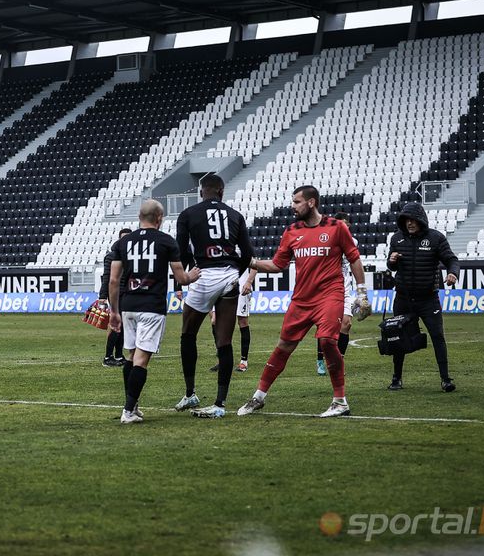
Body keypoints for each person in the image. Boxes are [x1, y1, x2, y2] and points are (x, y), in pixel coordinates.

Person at [237, 185, 368, 418]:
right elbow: (278, 265)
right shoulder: (291, 231)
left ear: (311, 202)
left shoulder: (336, 228)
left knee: (328, 340)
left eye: (297, 201)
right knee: (284, 346)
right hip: (301, 299)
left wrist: (361, 293)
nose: (292, 206)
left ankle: (340, 401)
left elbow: (354, 258)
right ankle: (258, 397)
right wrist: (250, 262)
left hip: (331, 295)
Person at [107, 200, 200, 424]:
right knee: (141, 359)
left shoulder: (123, 242)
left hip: (128, 306)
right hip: (152, 306)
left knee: (131, 357)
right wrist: (192, 276)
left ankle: (133, 405)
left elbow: (113, 280)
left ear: (140, 217)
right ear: (159, 218)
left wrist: (114, 311)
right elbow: (181, 278)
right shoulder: (167, 241)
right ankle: (128, 411)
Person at [174, 174, 255, 419]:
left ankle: (190, 394)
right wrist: (235, 273)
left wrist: (185, 276)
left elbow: (180, 252)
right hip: (230, 276)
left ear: (202, 192)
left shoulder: (188, 214)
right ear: (221, 192)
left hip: (204, 276)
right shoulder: (236, 215)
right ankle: (219, 404)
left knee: (188, 333)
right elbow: (248, 254)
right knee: (224, 341)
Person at [386, 202, 459, 392]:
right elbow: (391, 266)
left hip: (428, 299)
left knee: (437, 336)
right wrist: (391, 260)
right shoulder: (396, 239)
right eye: (406, 220)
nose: (410, 223)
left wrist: (453, 273)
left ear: (421, 220)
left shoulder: (436, 238)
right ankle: (396, 378)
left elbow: (451, 260)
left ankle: (445, 379)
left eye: (413, 220)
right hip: (403, 298)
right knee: (397, 338)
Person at [314, 212, 358, 375]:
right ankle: (320, 360)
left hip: (345, 288)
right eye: (340, 223)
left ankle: (338, 363)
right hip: (327, 287)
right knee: (325, 327)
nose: (343, 226)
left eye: (346, 223)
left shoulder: (353, 242)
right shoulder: (325, 240)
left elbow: (354, 264)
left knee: (346, 324)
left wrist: (361, 291)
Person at [98, 228, 132, 367]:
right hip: (116, 293)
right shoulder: (111, 256)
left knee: (123, 327)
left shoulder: (132, 255)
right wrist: (102, 296)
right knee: (116, 325)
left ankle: (118, 355)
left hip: (128, 293)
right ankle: (108, 357)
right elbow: (107, 278)